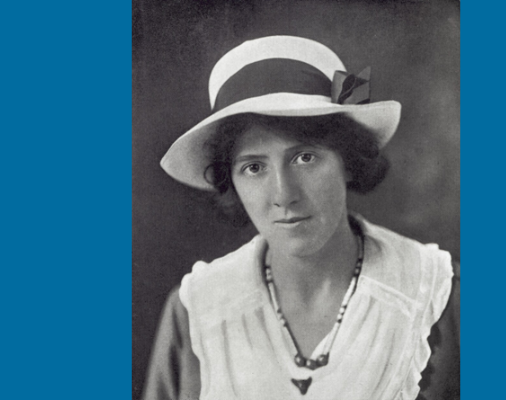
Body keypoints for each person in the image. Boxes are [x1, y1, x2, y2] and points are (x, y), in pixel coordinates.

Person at [143, 36, 459, 400]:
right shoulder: (194, 311)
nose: (283, 195)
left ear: (348, 161)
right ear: (231, 181)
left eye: (305, 158)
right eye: (254, 167)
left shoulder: (437, 295)